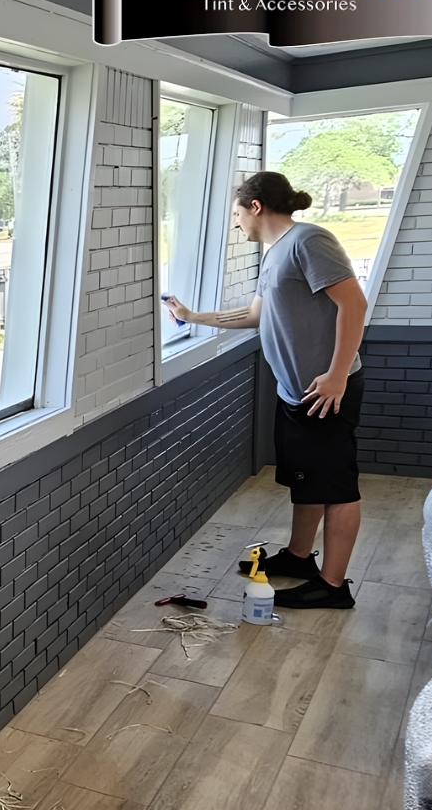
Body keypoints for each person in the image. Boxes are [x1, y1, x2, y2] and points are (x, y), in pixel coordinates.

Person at [166, 171, 368, 609]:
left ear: (255, 206)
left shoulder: (309, 241)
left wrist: (336, 375)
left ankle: (333, 587)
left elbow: (354, 303)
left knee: (336, 487)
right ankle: (299, 558)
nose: (237, 223)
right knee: (308, 480)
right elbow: (255, 315)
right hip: (298, 392)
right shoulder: (275, 252)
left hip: (327, 391)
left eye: (237, 213)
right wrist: (193, 316)